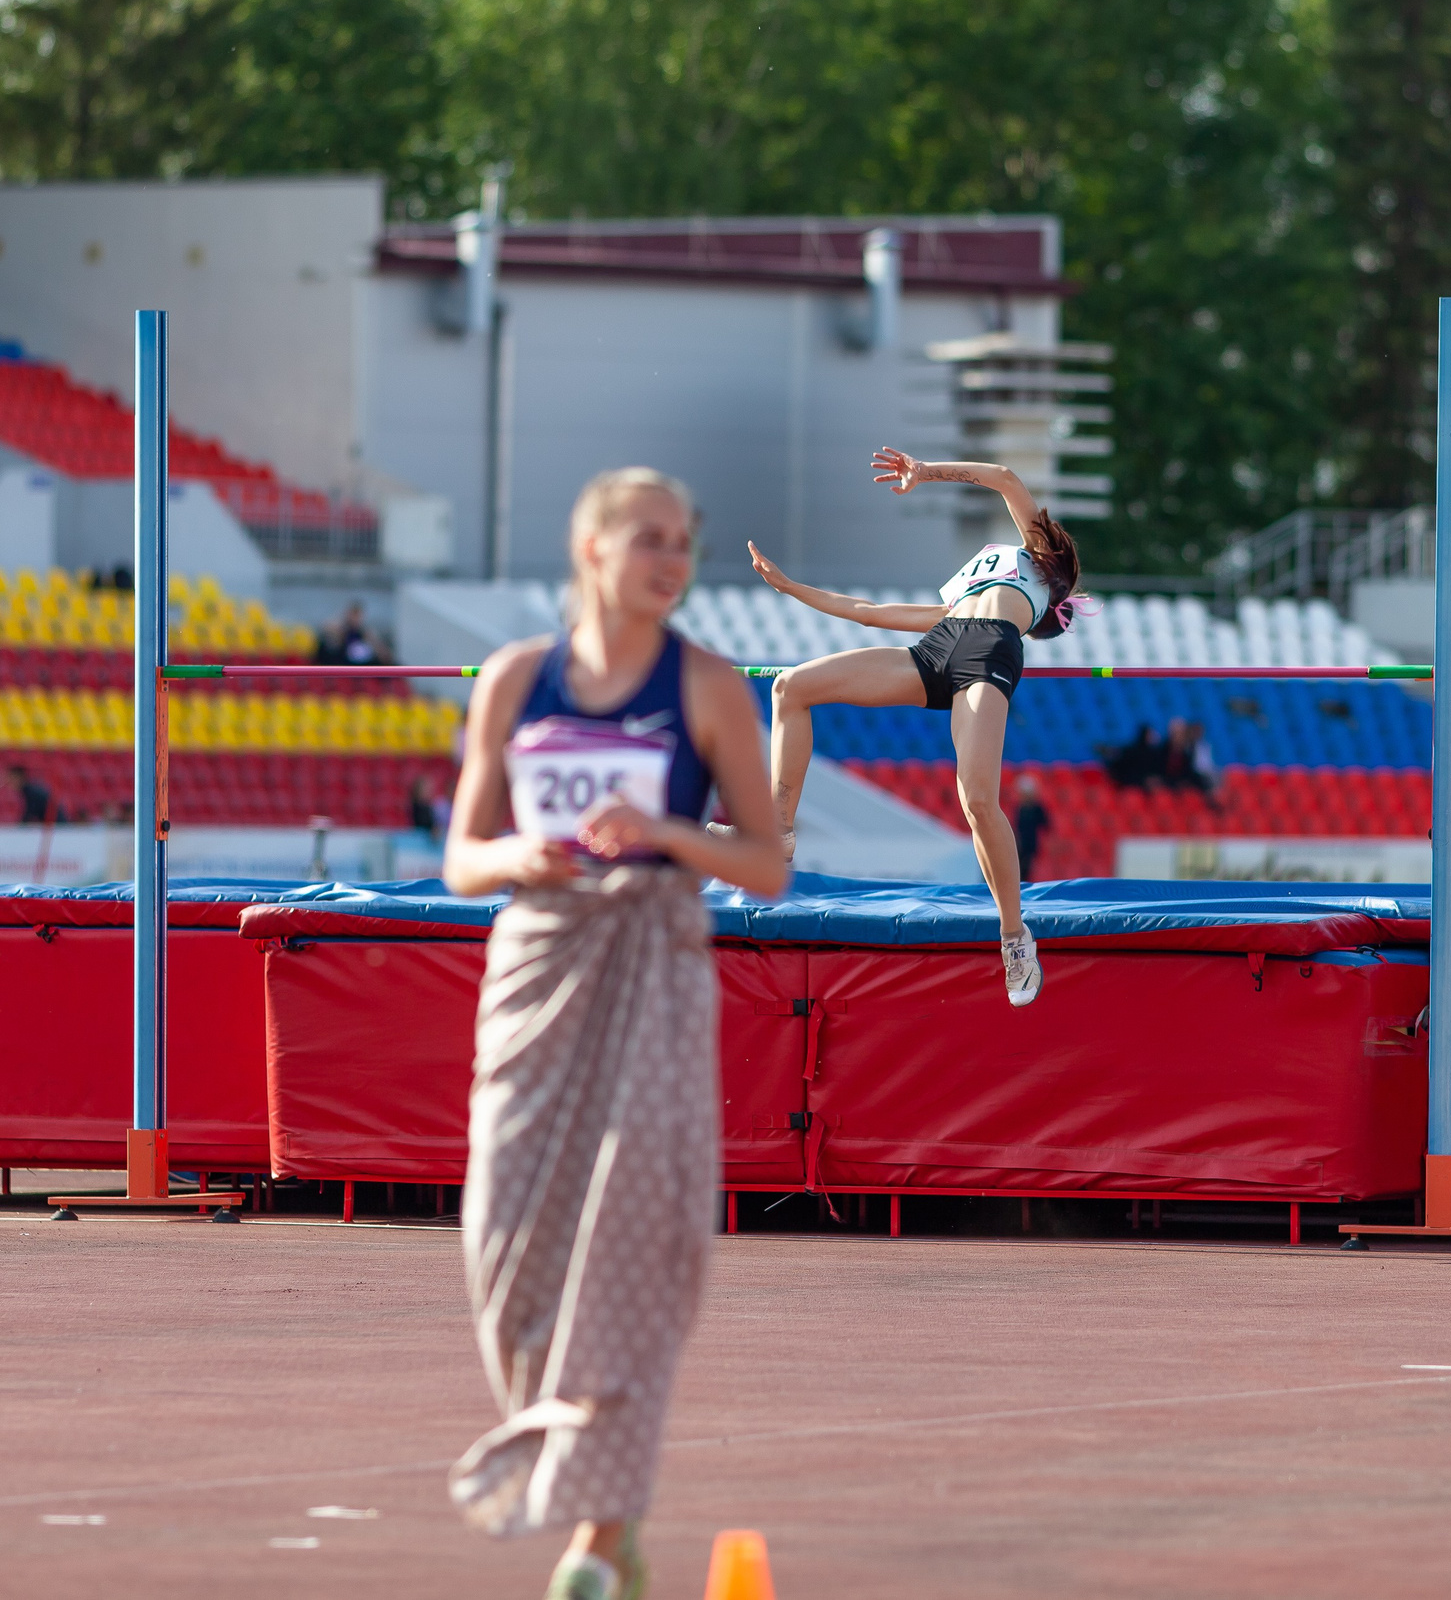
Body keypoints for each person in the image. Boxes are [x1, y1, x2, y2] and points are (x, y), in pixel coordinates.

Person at [441, 466, 787, 1600]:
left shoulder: (708, 688)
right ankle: (592, 1495)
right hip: (539, 959)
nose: (674, 560)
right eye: (651, 539)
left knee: (635, 1235)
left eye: (685, 541)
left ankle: (602, 1526)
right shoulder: (514, 680)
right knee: (505, 1232)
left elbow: (768, 866)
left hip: (653, 960)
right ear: (590, 549)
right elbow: (462, 855)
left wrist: (664, 830)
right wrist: (516, 860)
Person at [751, 446, 1086, 1006]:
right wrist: (790, 589)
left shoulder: (1042, 563)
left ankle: (1015, 939)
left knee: (977, 800)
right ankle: (776, 833)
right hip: (938, 645)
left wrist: (928, 473)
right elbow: (867, 611)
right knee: (791, 687)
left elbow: (1004, 478)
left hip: (987, 653)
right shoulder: (959, 596)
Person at [1010, 772, 1051, 882]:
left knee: (1027, 867)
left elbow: (1046, 825)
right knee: (1019, 866)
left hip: (1031, 843)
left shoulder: (1037, 808)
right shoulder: (1019, 808)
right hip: (1021, 843)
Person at [1104, 721, 1163, 791]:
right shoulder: (1131, 752)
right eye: (1150, 734)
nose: (1155, 736)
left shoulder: (1157, 753)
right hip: (1132, 787)